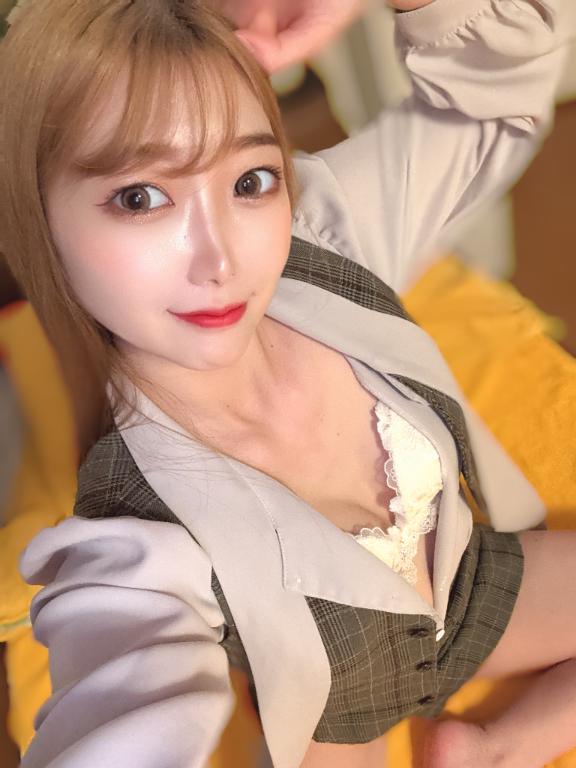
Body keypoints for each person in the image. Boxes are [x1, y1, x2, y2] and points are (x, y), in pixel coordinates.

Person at [1, 1, 576, 766]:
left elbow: (489, 96)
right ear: (39, 219)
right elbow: (122, 702)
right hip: (342, 712)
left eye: (250, 180)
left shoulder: (323, 239)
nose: (222, 261)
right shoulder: (136, 527)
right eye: (141, 197)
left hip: (470, 593)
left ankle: (496, 747)